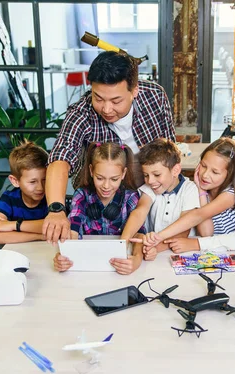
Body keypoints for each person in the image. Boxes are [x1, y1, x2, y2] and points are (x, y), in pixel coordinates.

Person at [43, 51, 176, 244]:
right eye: (98, 98)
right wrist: (56, 210)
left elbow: (169, 150)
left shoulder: (154, 97)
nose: (106, 109)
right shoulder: (81, 114)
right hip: (103, 209)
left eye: (116, 101)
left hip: (154, 197)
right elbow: (60, 157)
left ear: (134, 90)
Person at [53, 142, 146, 275]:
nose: (106, 186)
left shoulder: (131, 197)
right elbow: (73, 229)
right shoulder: (81, 195)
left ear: (124, 173)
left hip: (118, 268)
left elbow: (139, 234)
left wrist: (137, 260)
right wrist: (64, 255)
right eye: (100, 178)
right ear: (91, 171)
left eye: (114, 179)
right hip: (88, 267)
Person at [141, 138, 235, 249]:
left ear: (230, 174)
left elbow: (204, 229)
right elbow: (205, 232)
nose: (205, 175)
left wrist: (159, 237)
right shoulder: (200, 189)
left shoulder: (231, 195)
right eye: (203, 166)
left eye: (215, 172)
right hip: (213, 249)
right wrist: (201, 191)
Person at [122, 138, 200, 258]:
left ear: (175, 170)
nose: (150, 181)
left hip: (180, 252)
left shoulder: (189, 189)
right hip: (151, 250)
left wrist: (157, 248)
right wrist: (123, 242)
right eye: (146, 175)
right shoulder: (150, 187)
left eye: (157, 175)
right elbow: (139, 213)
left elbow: (184, 230)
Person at [0, 142, 48, 244]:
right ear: (15, 181)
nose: (40, 188)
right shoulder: (8, 199)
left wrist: (13, 225)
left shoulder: (51, 197)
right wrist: (39, 236)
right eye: (32, 182)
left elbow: (56, 225)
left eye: (44, 180)